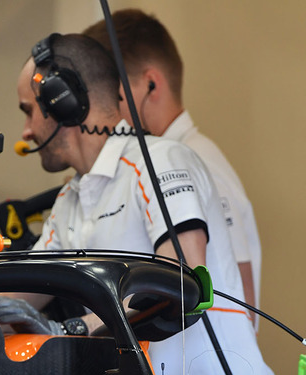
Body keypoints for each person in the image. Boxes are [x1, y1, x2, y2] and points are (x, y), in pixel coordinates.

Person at [0, 32, 274, 375]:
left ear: (64, 103)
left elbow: (179, 280)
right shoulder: (71, 200)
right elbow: (14, 294)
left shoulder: (160, 160)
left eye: (28, 111)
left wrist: (73, 329)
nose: (26, 132)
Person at [82, 9, 262, 328]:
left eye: (112, 94)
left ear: (151, 83)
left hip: (206, 374)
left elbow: (243, 302)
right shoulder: (143, 163)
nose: (103, 107)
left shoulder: (194, 162)